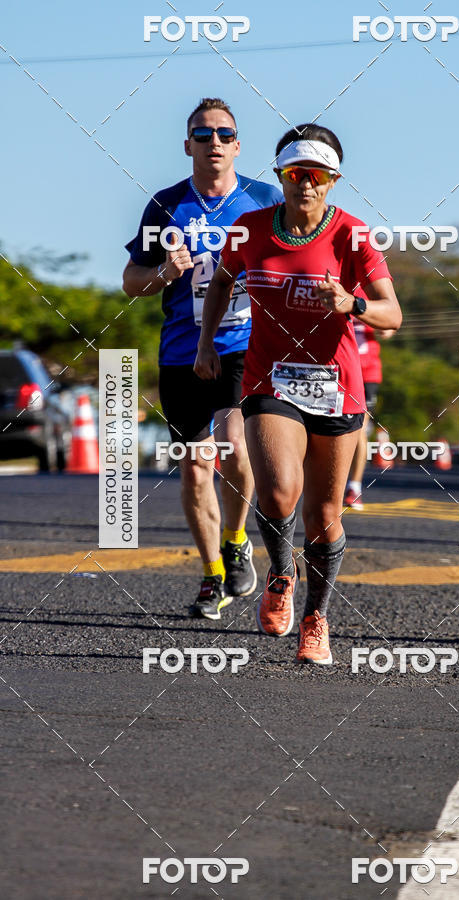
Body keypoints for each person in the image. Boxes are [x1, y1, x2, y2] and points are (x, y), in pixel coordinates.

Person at [194, 124, 402, 664]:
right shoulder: (251, 228)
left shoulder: (353, 237)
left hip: (337, 390)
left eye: (315, 176)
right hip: (269, 379)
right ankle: (281, 574)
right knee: (278, 491)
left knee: (324, 514)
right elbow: (220, 282)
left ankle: (316, 617)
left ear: (332, 180)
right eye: (293, 174)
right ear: (281, 176)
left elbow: (392, 314)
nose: (304, 185)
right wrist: (207, 344)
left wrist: (352, 306)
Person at [122, 97, 283, 620]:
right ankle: (213, 574)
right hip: (180, 353)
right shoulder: (166, 205)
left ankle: (237, 539)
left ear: (237, 145)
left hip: (244, 344)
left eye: (223, 133)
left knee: (236, 446)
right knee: (195, 469)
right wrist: (166, 274)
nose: (213, 142)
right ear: (187, 144)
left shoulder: (264, 200)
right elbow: (131, 283)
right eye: (202, 134)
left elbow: (293, 262)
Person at [343, 321, 395, 510]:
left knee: (359, 429)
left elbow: (389, 325)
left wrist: (385, 328)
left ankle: (353, 488)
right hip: (337, 367)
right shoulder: (330, 290)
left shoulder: (371, 292)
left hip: (366, 373)